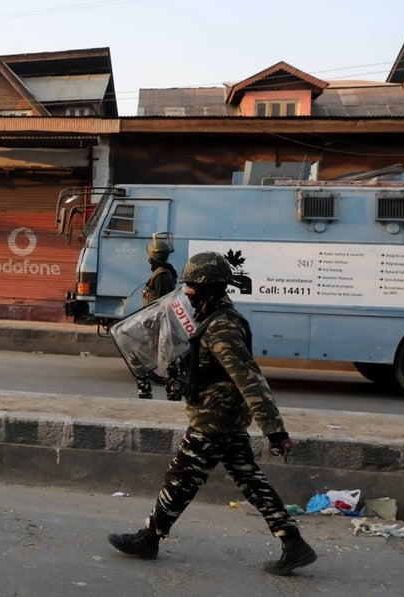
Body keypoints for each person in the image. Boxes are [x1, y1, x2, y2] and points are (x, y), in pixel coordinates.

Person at [108, 251, 316, 576]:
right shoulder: (212, 319)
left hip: (214, 419)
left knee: (181, 477)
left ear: (209, 288)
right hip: (221, 417)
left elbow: (250, 380)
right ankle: (294, 543)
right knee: (248, 479)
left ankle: (150, 537)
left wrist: (275, 431)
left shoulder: (222, 328)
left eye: (192, 287)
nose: (187, 293)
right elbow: (207, 368)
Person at [135, 234, 179, 400]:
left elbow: (161, 303)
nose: (147, 258)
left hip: (157, 325)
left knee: (139, 357)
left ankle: (148, 392)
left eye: (149, 255)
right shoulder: (162, 272)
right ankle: (171, 391)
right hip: (156, 325)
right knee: (166, 361)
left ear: (153, 257)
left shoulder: (161, 275)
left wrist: (155, 326)